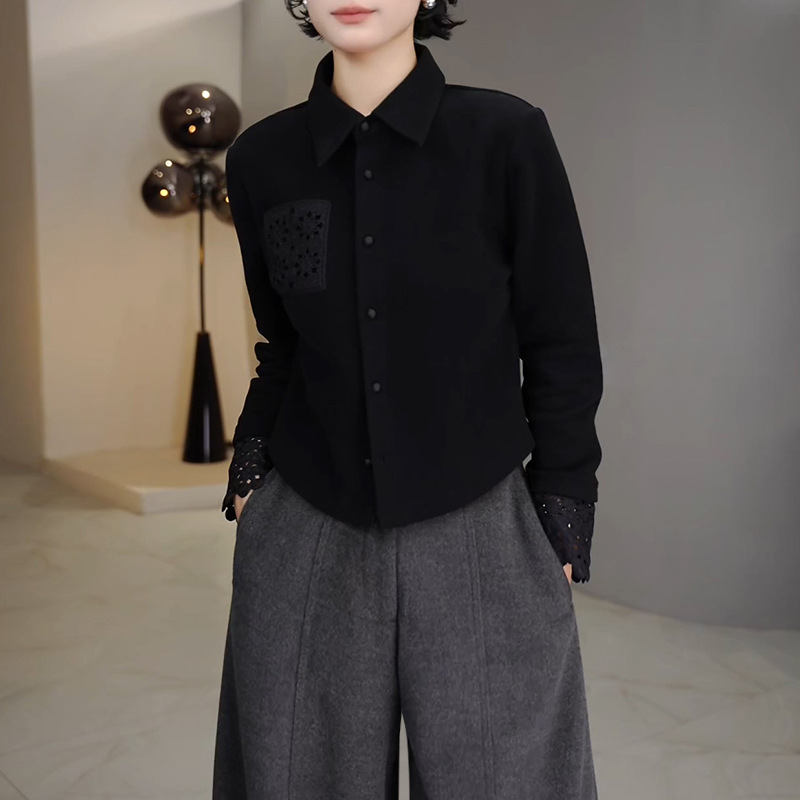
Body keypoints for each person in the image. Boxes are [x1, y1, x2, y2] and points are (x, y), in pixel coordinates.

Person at [213, 1, 603, 797]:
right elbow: (282, 341)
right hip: (307, 517)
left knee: (502, 781)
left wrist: (563, 497)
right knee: (293, 777)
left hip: (481, 520)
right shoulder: (261, 158)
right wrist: (251, 469)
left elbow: (560, 337)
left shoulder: (505, 137)